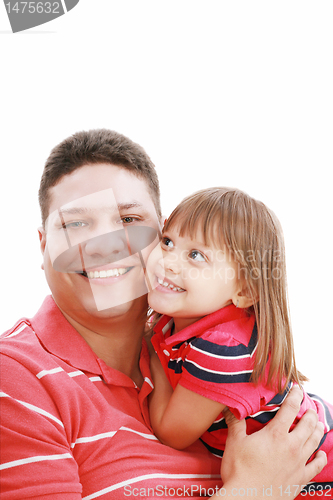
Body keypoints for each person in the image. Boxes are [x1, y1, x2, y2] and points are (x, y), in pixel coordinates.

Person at [0, 130, 327, 500]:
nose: (105, 246)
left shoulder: (192, 349)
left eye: (128, 219)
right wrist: (252, 492)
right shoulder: (15, 378)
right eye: (75, 224)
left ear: (161, 232)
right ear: (43, 246)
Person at [147, 187, 333, 488]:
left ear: (244, 291)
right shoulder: (181, 314)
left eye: (196, 255)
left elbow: (171, 433)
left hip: (317, 475)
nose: (168, 262)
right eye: (168, 241)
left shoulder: (223, 348)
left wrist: (151, 355)